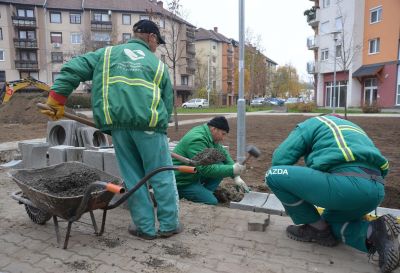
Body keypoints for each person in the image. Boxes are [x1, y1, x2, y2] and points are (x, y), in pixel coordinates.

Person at [41, 19, 182, 240]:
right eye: (158, 42)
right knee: (162, 176)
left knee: (134, 178)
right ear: (152, 37)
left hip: (119, 129)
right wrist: (160, 129)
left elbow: (72, 68)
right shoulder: (159, 66)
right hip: (150, 128)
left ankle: (144, 228)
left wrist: (56, 98)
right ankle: (169, 225)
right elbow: (166, 103)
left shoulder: (106, 55)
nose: (157, 47)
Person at [265, 114, 400, 273]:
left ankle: (314, 228)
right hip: (375, 191)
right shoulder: (354, 129)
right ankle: (375, 233)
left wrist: (300, 187)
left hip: (346, 186)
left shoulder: (314, 123)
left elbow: (280, 159)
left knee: (273, 174)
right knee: (330, 227)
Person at [172, 116, 249, 205]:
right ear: (214, 129)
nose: (223, 138)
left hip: (194, 174)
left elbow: (223, 154)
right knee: (212, 201)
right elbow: (205, 169)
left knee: (220, 164)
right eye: (223, 134)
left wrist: (236, 176)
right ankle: (183, 193)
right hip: (182, 180)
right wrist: (232, 169)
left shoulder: (209, 135)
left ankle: (204, 192)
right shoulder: (197, 139)